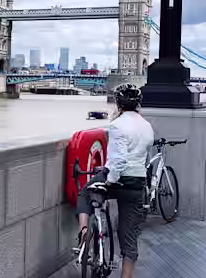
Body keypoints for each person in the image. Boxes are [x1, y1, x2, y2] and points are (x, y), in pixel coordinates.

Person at [76, 83, 154, 278]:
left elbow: (118, 162)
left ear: (119, 104)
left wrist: (109, 182)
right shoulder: (147, 126)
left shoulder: (117, 125)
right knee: (128, 234)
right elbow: (144, 157)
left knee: (86, 192)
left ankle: (84, 235)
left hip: (118, 178)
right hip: (137, 182)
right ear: (138, 104)